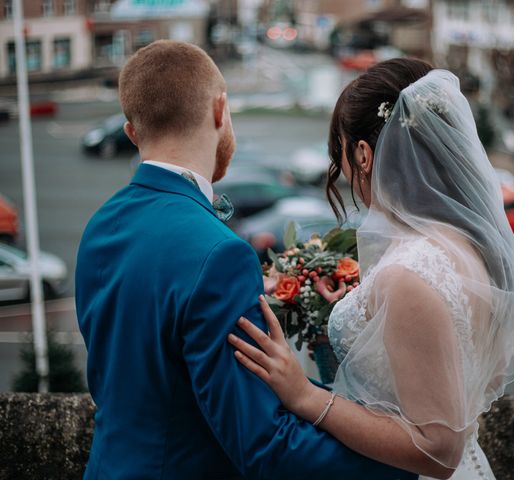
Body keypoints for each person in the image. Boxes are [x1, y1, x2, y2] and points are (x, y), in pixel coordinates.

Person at [75, 40, 417, 480]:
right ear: (220, 111)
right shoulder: (221, 255)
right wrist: (406, 465)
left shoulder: (100, 226)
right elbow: (263, 447)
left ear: (132, 133)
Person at [229, 60, 514, 479]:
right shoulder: (470, 246)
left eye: (341, 151)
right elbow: (460, 370)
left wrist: (305, 396)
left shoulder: (408, 272)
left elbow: (438, 449)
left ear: (363, 153)